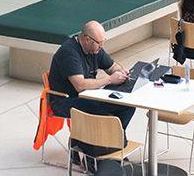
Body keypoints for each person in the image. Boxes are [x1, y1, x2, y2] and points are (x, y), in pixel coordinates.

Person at [48, 21, 136, 163]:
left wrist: (120, 72)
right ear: (87, 39)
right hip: (64, 101)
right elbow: (80, 86)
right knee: (102, 112)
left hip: (89, 96)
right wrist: (109, 80)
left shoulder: (94, 48)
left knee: (127, 106)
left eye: (103, 42)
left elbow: (112, 66)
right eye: (99, 43)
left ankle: (112, 143)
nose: (101, 47)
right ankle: (88, 148)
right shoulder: (69, 53)